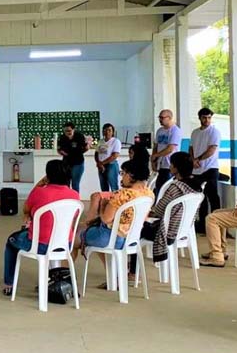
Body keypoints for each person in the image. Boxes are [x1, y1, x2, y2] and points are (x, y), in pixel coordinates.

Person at [1, 159, 79, 296]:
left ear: (48, 175)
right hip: (65, 244)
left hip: (40, 245)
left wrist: (40, 183)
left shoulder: (39, 192)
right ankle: (52, 279)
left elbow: (26, 209)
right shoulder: (75, 195)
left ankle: (9, 284)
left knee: (11, 240)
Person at [129, 152, 200, 280]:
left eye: (171, 164)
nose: (170, 166)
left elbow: (159, 210)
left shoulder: (175, 187)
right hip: (182, 230)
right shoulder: (196, 187)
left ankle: (133, 272)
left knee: (135, 230)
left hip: (166, 231)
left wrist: (149, 212)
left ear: (177, 168)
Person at [73, 160, 153, 271]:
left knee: (73, 237)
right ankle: (113, 273)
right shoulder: (149, 194)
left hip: (110, 238)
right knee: (88, 231)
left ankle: (65, 275)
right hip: (132, 238)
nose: (122, 177)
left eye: (123, 173)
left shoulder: (121, 195)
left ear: (131, 175)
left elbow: (106, 219)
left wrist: (103, 207)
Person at [189, 107, 222, 233]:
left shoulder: (214, 132)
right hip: (197, 169)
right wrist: (193, 160)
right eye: (204, 117)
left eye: (209, 117)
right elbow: (191, 148)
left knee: (212, 196)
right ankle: (202, 224)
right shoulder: (195, 133)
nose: (207, 120)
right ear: (200, 118)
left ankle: (217, 224)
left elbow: (212, 149)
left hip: (210, 168)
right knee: (200, 198)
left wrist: (198, 159)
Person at [150, 109, 182, 195]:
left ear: (169, 118)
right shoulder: (159, 131)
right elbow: (156, 146)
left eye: (162, 118)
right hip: (161, 165)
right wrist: (153, 160)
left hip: (170, 165)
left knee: (167, 189)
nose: (160, 120)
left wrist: (156, 155)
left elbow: (170, 149)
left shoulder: (175, 130)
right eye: (159, 118)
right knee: (158, 188)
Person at [57, 122, 88, 193]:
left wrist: (77, 153)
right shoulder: (62, 138)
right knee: (65, 183)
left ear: (73, 129)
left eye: (69, 131)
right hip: (66, 162)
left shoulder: (79, 136)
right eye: (65, 131)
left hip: (78, 163)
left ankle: (75, 199)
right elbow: (59, 149)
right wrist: (61, 152)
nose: (67, 133)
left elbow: (86, 148)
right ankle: (67, 198)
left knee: (75, 184)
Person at [95, 123, 121, 192]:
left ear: (113, 132)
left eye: (109, 130)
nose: (107, 132)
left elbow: (114, 155)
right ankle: (105, 199)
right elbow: (96, 153)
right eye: (105, 130)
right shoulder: (100, 141)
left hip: (111, 165)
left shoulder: (116, 141)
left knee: (114, 187)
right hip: (101, 166)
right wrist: (98, 163)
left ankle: (115, 199)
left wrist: (102, 163)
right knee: (103, 187)